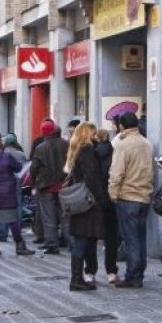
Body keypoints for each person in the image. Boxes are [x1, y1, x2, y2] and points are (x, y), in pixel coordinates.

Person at [109, 112, 153, 288]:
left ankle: (133, 276)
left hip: (128, 196)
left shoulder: (122, 145)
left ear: (121, 126)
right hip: (144, 196)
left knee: (131, 239)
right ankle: (139, 273)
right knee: (141, 238)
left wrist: (113, 193)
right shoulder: (147, 143)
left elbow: (116, 173)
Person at [65, 122, 111, 291]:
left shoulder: (77, 149)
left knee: (82, 238)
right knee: (82, 240)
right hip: (88, 203)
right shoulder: (87, 150)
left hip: (80, 201)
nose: (96, 136)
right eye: (93, 133)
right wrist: (100, 197)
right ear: (87, 134)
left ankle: (78, 278)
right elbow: (91, 177)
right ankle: (76, 279)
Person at [0, 137, 34, 256]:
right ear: (1, 145)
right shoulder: (6, 157)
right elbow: (19, 168)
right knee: (13, 220)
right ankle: (20, 245)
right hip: (7, 193)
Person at [30, 120, 69, 254]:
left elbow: (33, 168)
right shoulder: (66, 144)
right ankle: (69, 241)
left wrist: (33, 183)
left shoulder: (40, 148)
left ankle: (52, 244)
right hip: (63, 184)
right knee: (65, 215)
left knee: (48, 216)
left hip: (46, 185)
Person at [89, 129, 120, 284]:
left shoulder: (90, 153)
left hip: (93, 199)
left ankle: (90, 271)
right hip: (109, 198)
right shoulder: (114, 151)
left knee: (91, 236)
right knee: (111, 237)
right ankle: (111, 271)